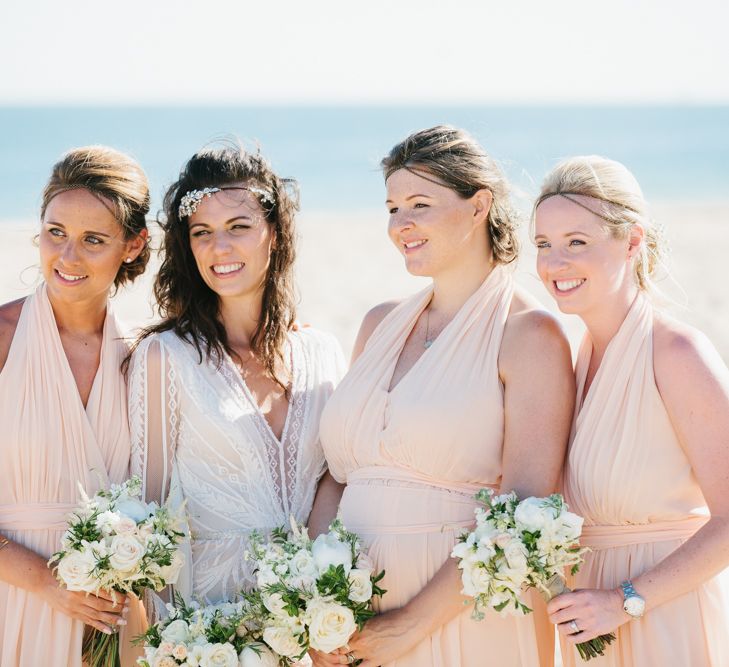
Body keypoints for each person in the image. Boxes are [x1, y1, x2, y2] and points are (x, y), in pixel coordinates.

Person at [312, 125, 574, 667]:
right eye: (391, 207)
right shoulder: (378, 323)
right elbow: (337, 479)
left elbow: (525, 505)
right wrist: (315, 597)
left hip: (461, 616)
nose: (400, 224)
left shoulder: (529, 335)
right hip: (353, 622)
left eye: (420, 205)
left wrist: (412, 625)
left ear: (478, 207)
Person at [127, 143, 345, 612]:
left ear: (275, 235)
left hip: (316, 619)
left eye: (239, 227)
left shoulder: (323, 353)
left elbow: (343, 479)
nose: (218, 247)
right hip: (213, 624)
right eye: (202, 232)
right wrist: (172, 643)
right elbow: (151, 512)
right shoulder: (165, 357)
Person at [534, 155, 729, 666]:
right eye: (543, 245)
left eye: (577, 242)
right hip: (592, 626)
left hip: (664, 618)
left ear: (632, 241)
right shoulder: (577, 360)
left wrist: (626, 601)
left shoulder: (677, 353)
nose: (555, 263)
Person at [0, 146, 150, 666]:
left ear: (133, 245)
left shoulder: (144, 356)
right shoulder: (2, 340)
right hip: (13, 601)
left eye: (93, 240)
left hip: (112, 622)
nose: (67, 257)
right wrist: (48, 583)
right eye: (55, 232)